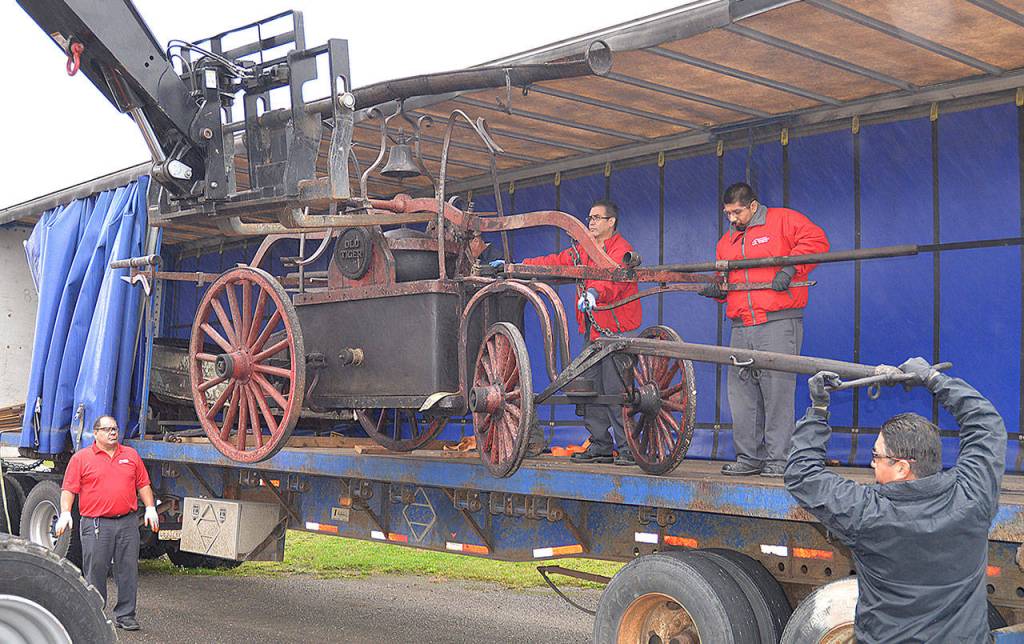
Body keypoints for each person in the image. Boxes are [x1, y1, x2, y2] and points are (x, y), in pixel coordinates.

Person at [786, 359, 1006, 642]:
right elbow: (987, 424)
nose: (872, 464)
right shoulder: (973, 496)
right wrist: (934, 379)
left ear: (902, 467)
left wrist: (817, 411)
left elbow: (801, 474)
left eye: (876, 456)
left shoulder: (866, 512)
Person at [491, 199, 642, 465]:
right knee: (589, 389)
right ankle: (601, 446)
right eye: (589, 217)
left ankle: (628, 449)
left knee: (616, 391)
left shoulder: (622, 249)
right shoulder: (583, 250)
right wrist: (517, 265)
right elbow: (554, 261)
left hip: (616, 333)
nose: (591, 222)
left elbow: (613, 279)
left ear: (611, 222)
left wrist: (595, 292)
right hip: (593, 334)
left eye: (596, 218)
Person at [699, 182, 829, 477]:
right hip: (741, 325)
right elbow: (725, 279)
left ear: (753, 206)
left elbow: (817, 241)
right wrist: (719, 289)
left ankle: (778, 461)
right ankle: (749, 458)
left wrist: (790, 268)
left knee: (777, 393)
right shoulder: (726, 241)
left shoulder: (784, 220)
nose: (732, 219)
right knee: (741, 395)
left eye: (737, 212)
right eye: (727, 213)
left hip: (778, 323)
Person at [56, 415, 159, 631]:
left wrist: (150, 507)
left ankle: (126, 615)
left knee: (128, 569)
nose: (113, 432)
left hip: (127, 522)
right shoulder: (81, 458)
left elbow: (143, 484)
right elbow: (69, 489)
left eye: (115, 428)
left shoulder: (130, 455)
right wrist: (66, 513)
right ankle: (95, 614)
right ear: (95, 433)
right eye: (107, 429)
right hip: (96, 523)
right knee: (95, 569)